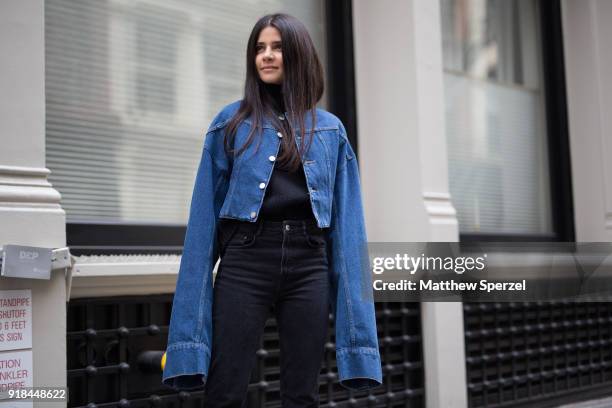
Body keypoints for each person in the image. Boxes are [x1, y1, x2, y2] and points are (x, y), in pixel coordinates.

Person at [162, 13, 382, 407]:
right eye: (259, 48)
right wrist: (187, 339)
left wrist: (359, 336)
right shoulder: (230, 124)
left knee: (302, 393)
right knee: (225, 389)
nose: (266, 56)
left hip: (309, 263)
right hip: (246, 260)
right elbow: (202, 225)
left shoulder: (331, 131)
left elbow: (349, 232)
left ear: (297, 55)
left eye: (277, 47)